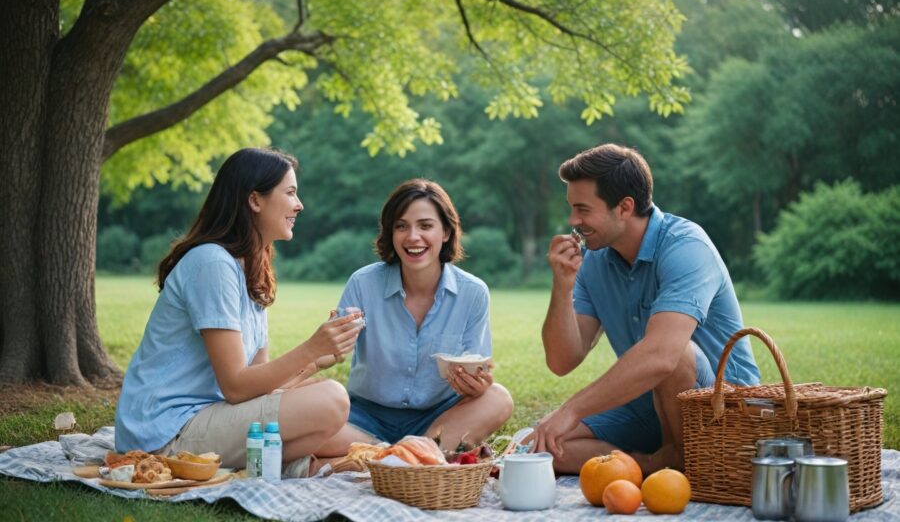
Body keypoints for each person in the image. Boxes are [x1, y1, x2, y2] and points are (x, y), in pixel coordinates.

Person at [114, 147, 363, 475]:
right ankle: (296, 465)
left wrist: (318, 359)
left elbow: (259, 388)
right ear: (255, 200)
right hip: (164, 433)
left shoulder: (250, 270)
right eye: (290, 193)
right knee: (332, 399)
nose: (299, 204)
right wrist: (311, 347)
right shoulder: (212, 263)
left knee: (340, 427)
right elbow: (235, 385)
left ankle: (394, 454)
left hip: (212, 414)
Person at [532, 144, 759, 475]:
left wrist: (573, 408)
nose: (573, 221)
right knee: (541, 447)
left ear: (624, 207)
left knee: (677, 351)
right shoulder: (595, 261)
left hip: (724, 405)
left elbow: (662, 357)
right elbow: (561, 361)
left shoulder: (685, 247)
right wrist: (562, 286)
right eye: (572, 209)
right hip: (648, 402)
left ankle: (687, 466)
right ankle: (658, 463)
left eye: (582, 209)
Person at [314, 179, 513, 457]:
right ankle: (414, 456)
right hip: (364, 419)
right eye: (401, 226)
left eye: (425, 226)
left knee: (498, 399)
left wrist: (477, 387)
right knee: (304, 421)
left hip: (436, 418)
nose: (412, 237)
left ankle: (390, 456)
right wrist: (328, 342)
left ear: (446, 231)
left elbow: (478, 371)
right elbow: (330, 352)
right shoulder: (363, 283)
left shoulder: (473, 293)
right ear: (390, 233)